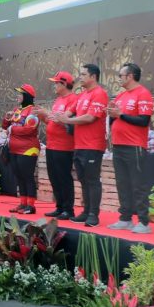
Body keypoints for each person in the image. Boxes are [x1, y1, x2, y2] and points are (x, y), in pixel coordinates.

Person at [54, 64, 108, 227]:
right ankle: (86, 211)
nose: (80, 77)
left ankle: (93, 214)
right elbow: (70, 111)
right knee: (83, 180)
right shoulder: (82, 95)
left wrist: (68, 120)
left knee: (92, 180)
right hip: (79, 144)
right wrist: (57, 116)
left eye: (83, 74)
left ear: (93, 77)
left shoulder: (100, 94)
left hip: (93, 145)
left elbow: (90, 117)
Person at [107, 63, 154, 234]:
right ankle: (125, 218)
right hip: (118, 146)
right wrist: (112, 114)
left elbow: (144, 121)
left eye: (121, 75)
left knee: (137, 184)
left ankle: (143, 221)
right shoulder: (120, 96)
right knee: (122, 184)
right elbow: (116, 119)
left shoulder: (143, 94)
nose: (119, 78)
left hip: (134, 146)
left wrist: (120, 115)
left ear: (131, 76)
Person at [37, 71, 78, 220]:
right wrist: (42, 116)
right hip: (51, 145)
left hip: (64, 146)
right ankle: (60, 206)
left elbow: (67, 122)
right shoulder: (59, 100)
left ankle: (68, 209)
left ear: (64, 83)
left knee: (64, 177)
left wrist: (48, 113)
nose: (54, 85)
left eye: (56, 83)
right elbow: (53, 121)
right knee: (54, 177)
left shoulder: (73, 100)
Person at [2, 84, 40, 214]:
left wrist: (12, 128)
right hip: (14, 149)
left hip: (28, 149)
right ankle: (23, 204)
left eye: (20, 94)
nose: (17, 96)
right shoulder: (17, 110)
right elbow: (5, 126)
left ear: (27, 96)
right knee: (19, 176)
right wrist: (7, 119)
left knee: (27, 176)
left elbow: (29, 129)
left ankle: (31, 206)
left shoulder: (33, 110)